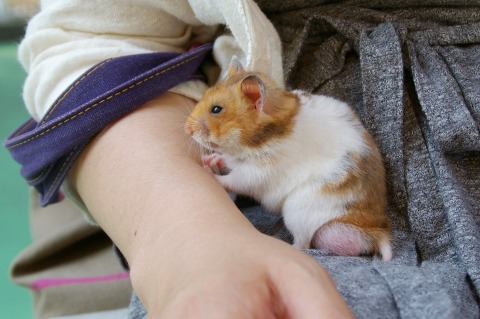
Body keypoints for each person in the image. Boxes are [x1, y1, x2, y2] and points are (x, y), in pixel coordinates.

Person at [9, 0, 480, 318]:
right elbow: (87, 40)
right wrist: (187, 239)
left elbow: (264, 177)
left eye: (216, 112)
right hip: (218, 221)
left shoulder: (278, 137)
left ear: (255, 101)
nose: (200, 125)